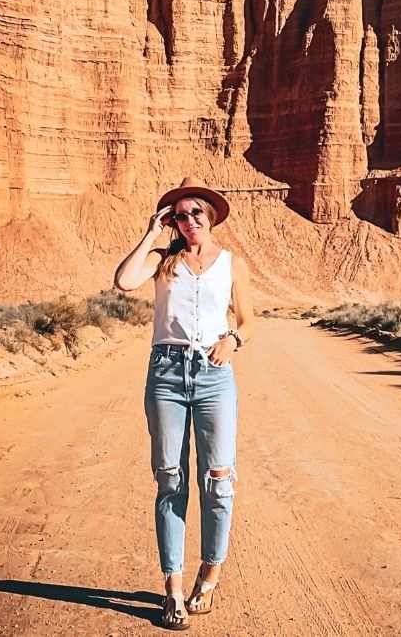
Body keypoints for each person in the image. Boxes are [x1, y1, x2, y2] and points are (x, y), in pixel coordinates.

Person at [114, 177, 255, 630]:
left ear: (210, 215)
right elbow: (122, 281)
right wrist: (151, 233)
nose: (189, 220)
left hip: (215, 377)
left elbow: (249, 322)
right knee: (169, 479)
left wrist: (232, 339)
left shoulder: (233, 264)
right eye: (179, 215)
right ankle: (172, 590)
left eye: (196, 212)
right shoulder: (162, 261)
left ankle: (209, 574)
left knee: (218, 479)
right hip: (167, 375)